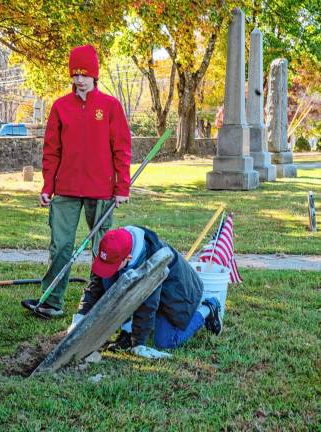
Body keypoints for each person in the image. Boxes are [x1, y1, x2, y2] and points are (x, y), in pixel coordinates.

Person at [21, 45, 131, 318]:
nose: (79, 79)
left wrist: (122, 187)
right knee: (60, 246)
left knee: (102, 248)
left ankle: (100, 302)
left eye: (84, 73)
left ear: (94, 75)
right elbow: (51, 150)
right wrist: (48, 186)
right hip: (66, 191)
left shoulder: (110, 106)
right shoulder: (60, 107)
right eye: (75, 73)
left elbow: (122, 148)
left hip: (101, 190)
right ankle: (51, 302)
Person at [68, 226, 223, 359]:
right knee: (108, 280)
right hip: (153, 289)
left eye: (113, 264)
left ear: (128, 257)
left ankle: (208, 308)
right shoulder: (112, 246)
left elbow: (148, 304)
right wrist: (79, 319)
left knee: (166, 342)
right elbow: (95, 286)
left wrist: (138, 343)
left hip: (177, 293)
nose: (106, 268)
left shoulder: (152, 262)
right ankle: (128, 331)